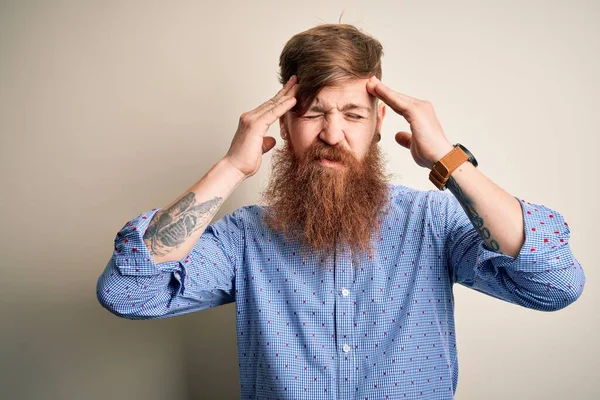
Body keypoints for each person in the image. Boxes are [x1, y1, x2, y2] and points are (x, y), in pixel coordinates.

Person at [96, 24, 586, 399]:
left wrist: (447, 159)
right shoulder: (244, 238)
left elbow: (554, 285)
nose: (332, 134)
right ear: (284, 126)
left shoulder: (432, 224)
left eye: (352, 115)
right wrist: (230, 167)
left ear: (378, 124)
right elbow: (129, 292)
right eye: (312, 114)